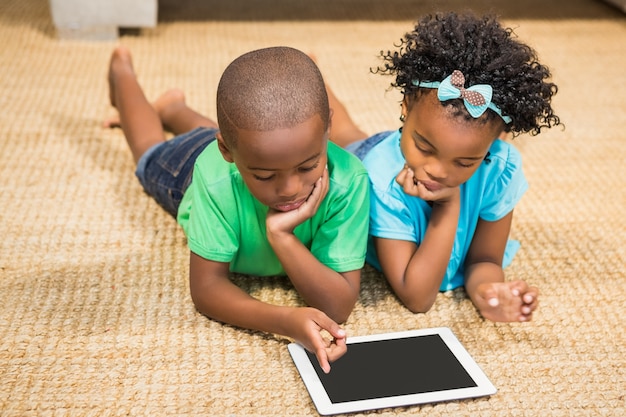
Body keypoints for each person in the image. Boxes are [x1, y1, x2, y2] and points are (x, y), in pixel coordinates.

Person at [105, 45, 370, 372]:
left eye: (307, 167)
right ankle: (123, 74)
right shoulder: (214, 176)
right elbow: (206, 290)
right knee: (149, 152)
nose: (289, 189)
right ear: (226, 151)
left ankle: (174, 108)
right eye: (265, 176)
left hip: (241, 149)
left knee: (246, 143)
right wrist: (284, 320)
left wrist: (282, 236)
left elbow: (338, 305)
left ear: (328, 129)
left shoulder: (350, 181)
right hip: (190, 169)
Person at [323, 12, 561, 323]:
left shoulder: (499, 169)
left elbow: (485, 259)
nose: (437, 170)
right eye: (424, 147)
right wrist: (448, 205)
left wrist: (489, 293)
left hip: (402, 148)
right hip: (374, 155)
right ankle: (315, 76)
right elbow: (417, 296)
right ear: (405, 107)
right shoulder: (379, 179)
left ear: (494, 143)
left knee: (352, 132)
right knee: (345, 136)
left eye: (465, 162)